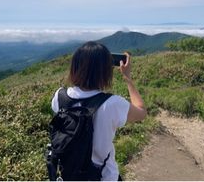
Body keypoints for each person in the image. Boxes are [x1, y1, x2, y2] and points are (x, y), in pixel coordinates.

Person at [50, 41, 147, 181]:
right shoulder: (112, 104)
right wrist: (127, 78)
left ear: (75, 67)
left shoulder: (59, 96)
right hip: (103, 176)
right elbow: (142, 112)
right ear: (105, 71)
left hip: (69, 174)